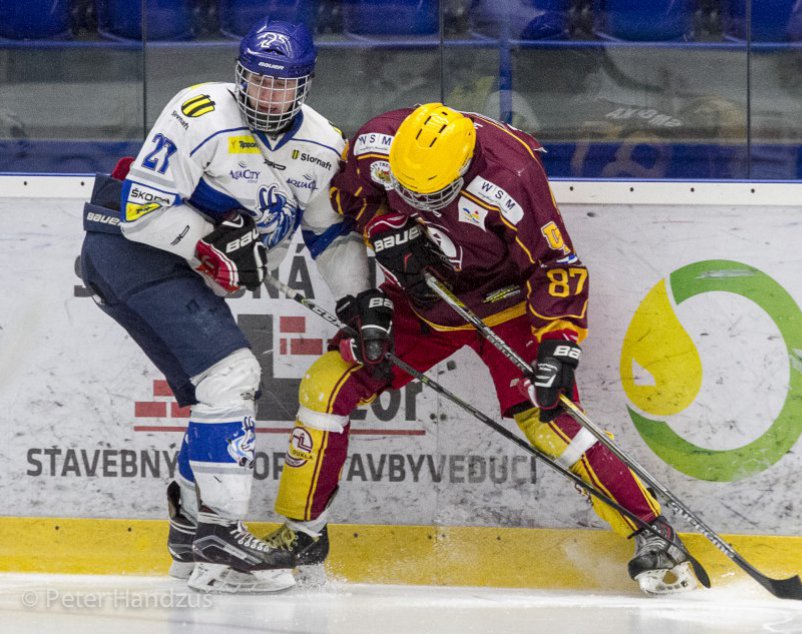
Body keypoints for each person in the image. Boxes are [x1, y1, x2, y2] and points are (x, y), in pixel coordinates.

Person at [265, 102, 699, 595]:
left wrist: (558, 345)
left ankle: (652, 533)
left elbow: (555, 266)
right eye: (410, 193)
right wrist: (385, 230)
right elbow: (352, 202)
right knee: (326, 386)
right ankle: (302, 536)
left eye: (436, 196)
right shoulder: (373, 146)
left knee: (550, 416)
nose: (421, 205)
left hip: (507, 306)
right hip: (421, 304)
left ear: (465, 167)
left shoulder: (512, 175)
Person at [79, 18, 370, 593]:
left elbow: (330, 237)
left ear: (304, 85)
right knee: (233, 374)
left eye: (281, 85)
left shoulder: (322, 146)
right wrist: (212, 246)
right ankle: (219, 530)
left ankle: (198, 552)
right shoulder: (200, 110)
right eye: (257, 82)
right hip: (128, 250)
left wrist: (361, 304)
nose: (267, 96)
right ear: (240, 76)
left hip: (181, 272)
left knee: (218, 392)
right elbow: (142, 208)